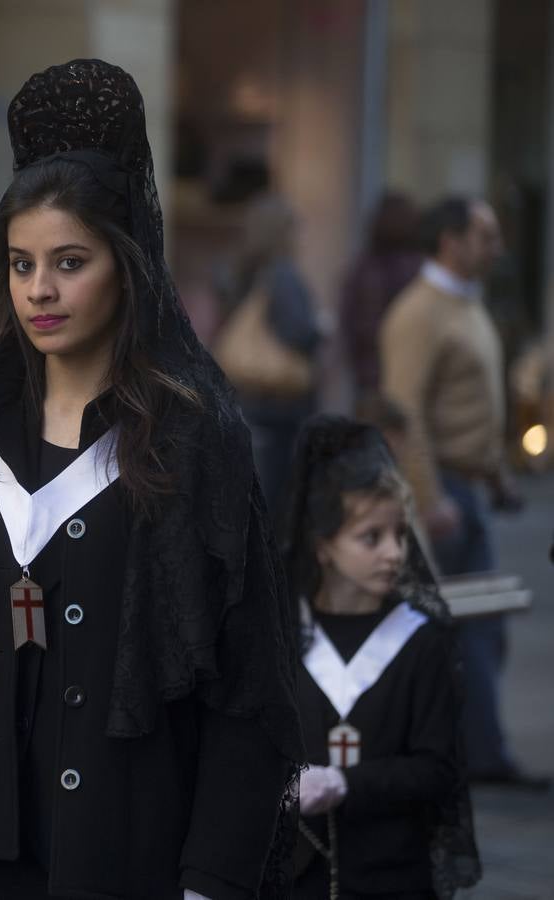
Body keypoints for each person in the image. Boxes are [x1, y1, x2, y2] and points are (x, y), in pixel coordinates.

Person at [0, 60, 303, 900]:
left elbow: (245, 682)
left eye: (70, 262)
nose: (41, 290)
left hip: (126, 849)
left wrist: (214, 875)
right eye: (20, 264)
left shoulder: (188, 440)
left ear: (126, 266)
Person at [378, 196, 546, 790]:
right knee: (451, 628)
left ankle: (475, 750)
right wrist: (427, 496)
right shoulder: (420, 313)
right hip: (442, 490)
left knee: (479, 628)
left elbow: (473, 403)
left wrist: (497, 471)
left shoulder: (464, 305)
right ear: (451, 240)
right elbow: (404, 411)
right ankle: (471, 756)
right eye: (486, 235)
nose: (497, 247)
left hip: (468, 486)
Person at [281, 415, 479, 899]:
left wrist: (347, 783)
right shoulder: (285, 635)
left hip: (394, 874)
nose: (393, 553)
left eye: (401, 535)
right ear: (323, 544)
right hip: (301, 876)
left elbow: (438, 768)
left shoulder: (420, 639)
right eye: (371, 537)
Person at [219, 193, 323, 522]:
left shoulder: (241, 270)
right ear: (284, 232)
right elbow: (297, 332)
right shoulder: (284, 275)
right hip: (281, 405)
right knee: (279, 503)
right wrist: (319, 330)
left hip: (247, 398)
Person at [339, 192, 423, 397]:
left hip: (368, 375)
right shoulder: (417, 270)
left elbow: (349, 321)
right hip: (407, 371)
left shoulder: (362, 268)